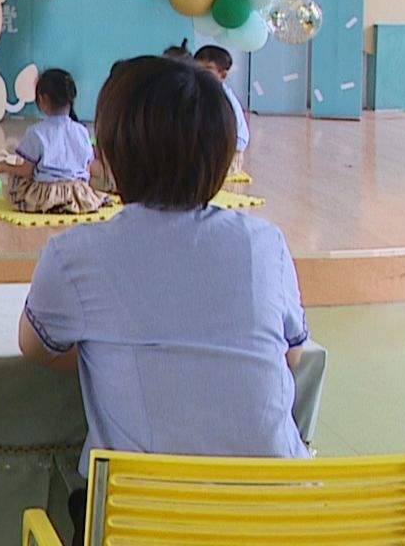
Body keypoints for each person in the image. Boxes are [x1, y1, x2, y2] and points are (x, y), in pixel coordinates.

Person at [17, 56, 309, 542]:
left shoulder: (76, 253)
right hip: (276, 514)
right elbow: (292, 353)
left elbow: (37, 347)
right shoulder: (265, 244)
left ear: (111, 152)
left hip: (141, 519)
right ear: (220, 154)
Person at [0, 69, 112, 214]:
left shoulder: (36, 131)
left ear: (43, 100)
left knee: (15, 180)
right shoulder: (82, 130)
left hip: (47, 195)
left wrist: (4, 166)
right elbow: (87, 168)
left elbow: (27, 171)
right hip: (78, 193)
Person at [193, 45, 250, 174]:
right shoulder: (199, 91)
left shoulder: (222, 96)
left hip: (230, 151)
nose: (200, 75)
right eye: (196, 69)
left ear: (222, 75)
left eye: (207, 70)